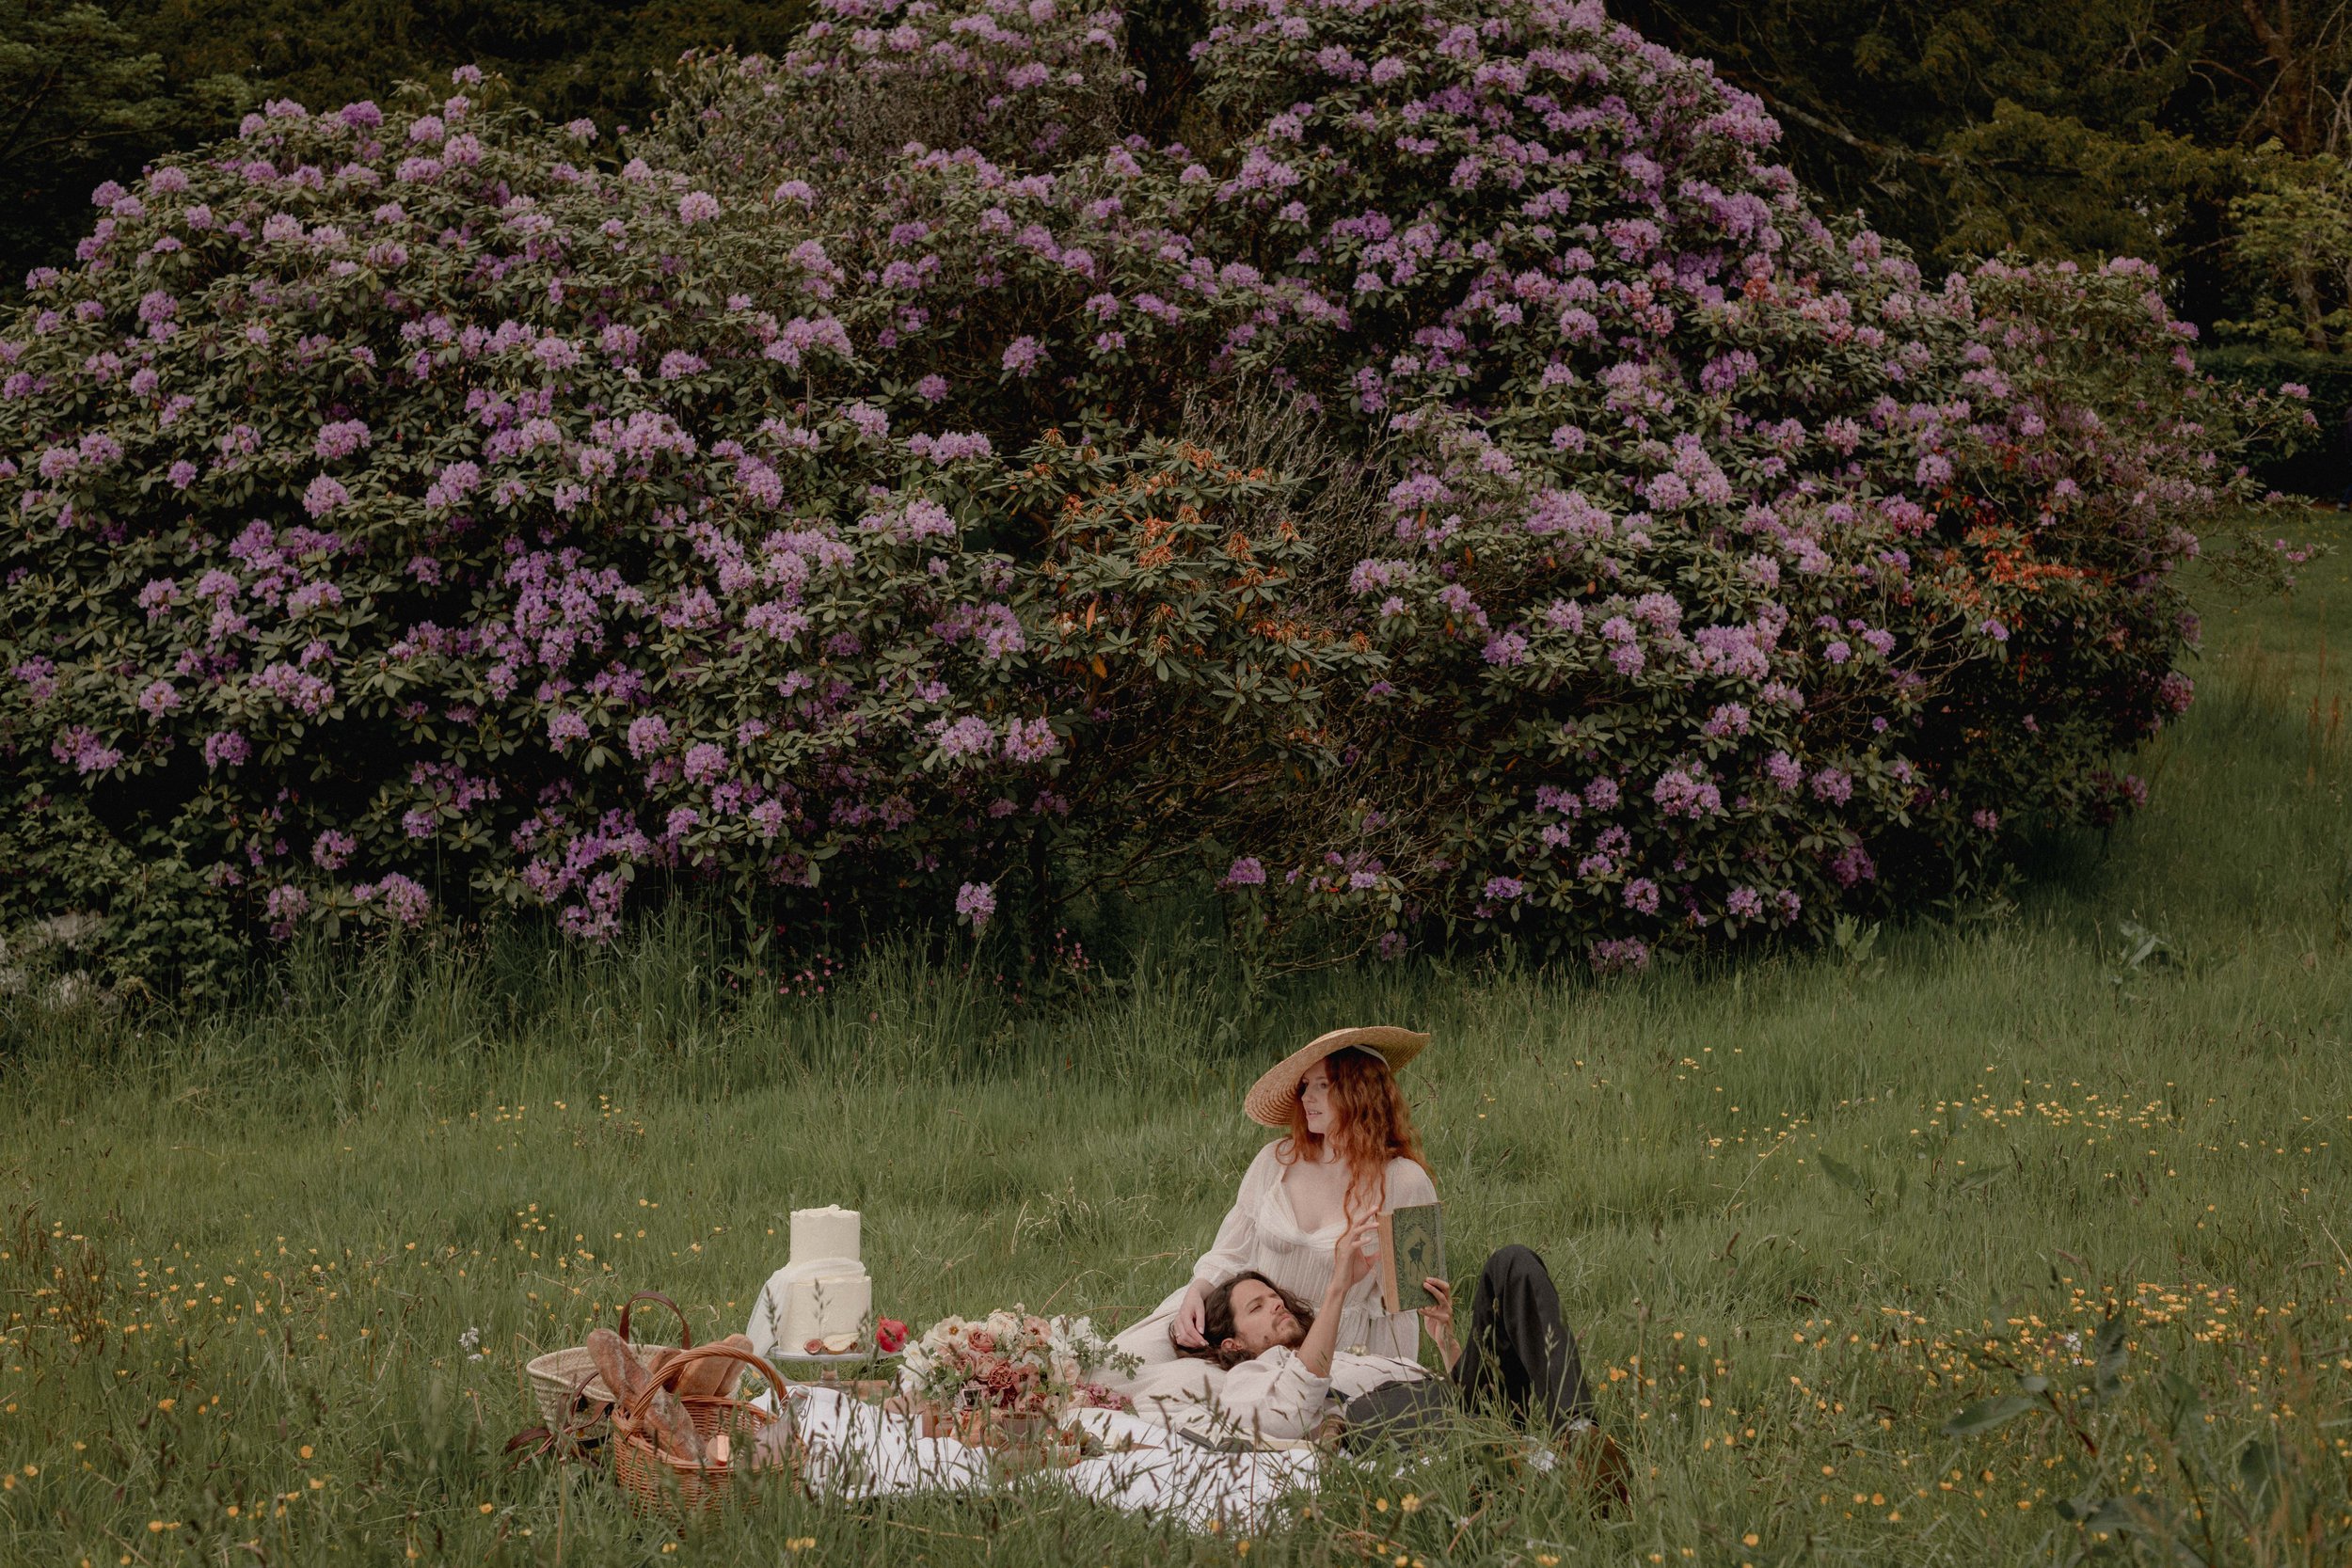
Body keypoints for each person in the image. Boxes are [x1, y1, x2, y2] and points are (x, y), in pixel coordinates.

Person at [1109, 1026, 1438, 1378]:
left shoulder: (1404, 1181)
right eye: (1305, 1085)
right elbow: (1231, 1252)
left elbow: (1408, 1304)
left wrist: (1399, 1377)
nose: (1306, 1097)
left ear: (1360, 1091)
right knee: (1118, 1369)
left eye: (1323, 1085)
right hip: (1240, 1327)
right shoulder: (1276, 1160)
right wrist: (1197, 1292)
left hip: (1327, 1343)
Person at [1175, 1218, 1599, 1453]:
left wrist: (1445, 1339)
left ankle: (1582, 1436)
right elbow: (1286, 1414)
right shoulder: (1249, 1377)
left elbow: (1460, 1395)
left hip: (1455, 1403)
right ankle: (1524, 1458)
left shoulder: (1353, 1356)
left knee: (1511, 1263)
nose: (1276, 1304)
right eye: (1257, 1307)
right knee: (1360, 1414)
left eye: (1273, 1297)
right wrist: (1337, 1288)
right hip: (1385, 1421)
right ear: (1233, 1344)